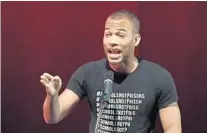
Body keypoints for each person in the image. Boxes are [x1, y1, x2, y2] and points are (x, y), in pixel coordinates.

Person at [40, 10, 182, 133]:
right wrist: (52, 96)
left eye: (120, 35)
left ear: (136, 40)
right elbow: (52, 117)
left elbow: (173, 128)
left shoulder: (159, 77)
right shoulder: (87, 72)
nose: (112, 41)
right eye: (108, 34)